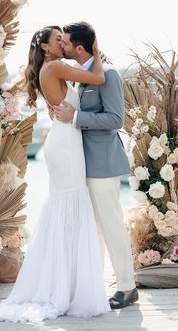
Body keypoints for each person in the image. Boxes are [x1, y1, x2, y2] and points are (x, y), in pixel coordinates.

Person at [0, 25, 110, 323]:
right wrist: (97, 47)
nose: (63, 43)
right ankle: (63, 287)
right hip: (65, 146)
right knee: (69, 209)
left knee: (66, 212)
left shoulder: (52, 68)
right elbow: (99, 78)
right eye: (58, 40)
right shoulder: (55, 66)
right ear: (45, 47)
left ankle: (64, 284)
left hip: (65, 142)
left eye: (64, 40)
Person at [53, 21, 138, 309]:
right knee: (93, 231)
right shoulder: (79, 75)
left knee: (112, 227)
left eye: (64, 42)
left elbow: (116, 120)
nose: (61, 46)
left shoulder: (109, 74)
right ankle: (94, 287)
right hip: (82, 165)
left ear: (78, 47)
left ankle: (127, 288)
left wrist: (75, 119)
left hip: (102, 164)